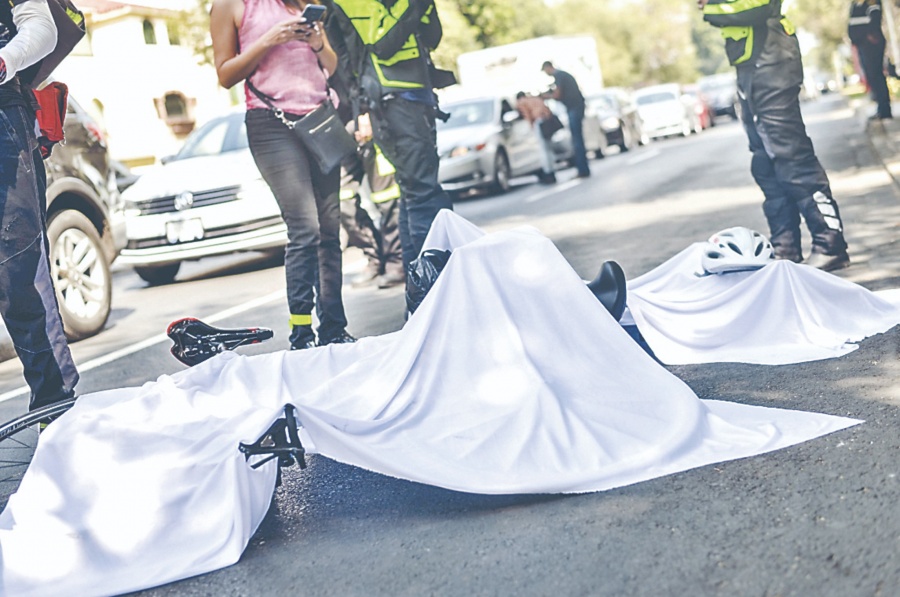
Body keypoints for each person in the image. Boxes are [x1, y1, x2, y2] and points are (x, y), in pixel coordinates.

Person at [210, 0, 354, 349]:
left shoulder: (308, 6)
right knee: (305, 227)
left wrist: (318, 43)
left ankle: (334, 328)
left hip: (319, 121)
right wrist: (268, 40)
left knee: (330, 229)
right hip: (272, 124)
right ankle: (301, 331)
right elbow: (225, 75)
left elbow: (332, 66)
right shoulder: (232, 6)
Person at [699, 0, 850, 271]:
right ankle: (785, 247)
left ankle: (830, 244)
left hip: (773, 60)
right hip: (751, 65)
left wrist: (710, 8)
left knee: (791, 155)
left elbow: (759, 5)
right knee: (765, 162)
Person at [323, 0, 454, 280]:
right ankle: (434, 287)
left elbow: (432, 37)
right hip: (391, 104)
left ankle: (420, 288)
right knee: (423, 194)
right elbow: (383, 43)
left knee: (414, 193)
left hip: (413, 100)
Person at [0, 0, 80, 411]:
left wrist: (4, 59)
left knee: (18, 269)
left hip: (3, 118)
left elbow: (41, 28)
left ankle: (53, 401)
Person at [340, 112, 404, 288]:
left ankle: (397, 263)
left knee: (387, 198)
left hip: (369, 123)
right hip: (338, 128)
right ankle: (375, 258)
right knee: (341, 200)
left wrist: (365, 112)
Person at [541, 61, 590, 179]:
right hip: (576, 107)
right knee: (578, 139)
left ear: (548, 68)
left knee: (577, 140)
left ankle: (582, 170)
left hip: (574, 108)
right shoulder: (563, 75)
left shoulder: (559, 76)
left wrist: (546, 96)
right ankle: (583, 169)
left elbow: (557, 94)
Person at [849, 0, 893, 120]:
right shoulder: (855, 3)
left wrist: (872, 34)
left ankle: (885, 110)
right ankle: (880, 107)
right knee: (871, 76)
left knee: (876, 75)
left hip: (871, 43)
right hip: (862, 44)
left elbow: (876, 16)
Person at [516, 91, 557, 184]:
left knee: (543, 149)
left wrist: (531, 126)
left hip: (538, 122)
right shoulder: (535, 99)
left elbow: (527, 115)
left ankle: (548, 172)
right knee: (549, 148)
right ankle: (552, 170)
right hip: (547, 121)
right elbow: (547, 109)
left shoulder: (521, 102)